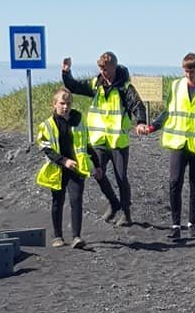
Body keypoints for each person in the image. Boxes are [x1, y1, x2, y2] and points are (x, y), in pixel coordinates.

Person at [61, 52, 148, 227]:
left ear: (114, 67)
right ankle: (113, 203)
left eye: (106, 69)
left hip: (118, 141)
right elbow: (74, 86)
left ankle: (126, 212)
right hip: (99, 140)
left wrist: (140, 122)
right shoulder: (95, 84)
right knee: (96, 172)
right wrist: (66, 72)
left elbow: (137, 105)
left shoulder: (125, 88)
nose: (103, 72)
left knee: (121, 177)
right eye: (100, 68)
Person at [146, 53, 195, 240]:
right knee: (175, 181)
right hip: (177, 142)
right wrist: (153, 126)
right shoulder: (176, 86)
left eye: (192, 72)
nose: (188, 75)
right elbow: (168, 112)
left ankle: (192, 224)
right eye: (186, 71)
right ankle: (175, 224)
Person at [36, 88, 99, 249]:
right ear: (54, 104)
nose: (65, 107)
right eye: (62, 103)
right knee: (57, 201)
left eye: (68, 103)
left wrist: (97, 165)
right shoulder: (48, 125)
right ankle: (57, 236)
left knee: (76, 200)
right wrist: (63, 161)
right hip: (58, 168)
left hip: (77, 167)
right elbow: (46, 149)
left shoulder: (78, 120)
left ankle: (77, 237)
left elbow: (86, 144)